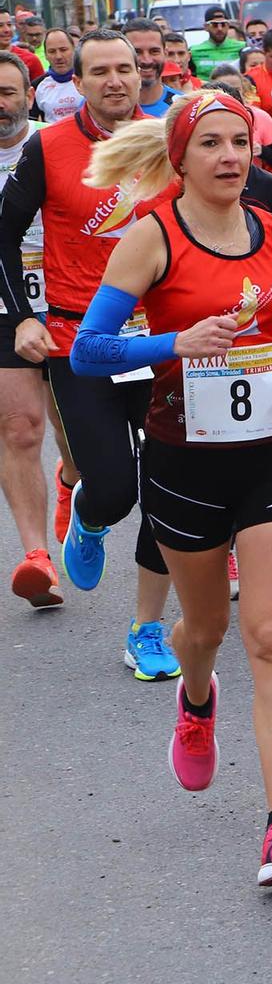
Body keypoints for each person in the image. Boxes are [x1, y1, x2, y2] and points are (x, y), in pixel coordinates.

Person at [72, 88, 272, 887]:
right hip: (186, 458)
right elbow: (88, 350)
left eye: (240, 143)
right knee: (205, 629)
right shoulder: (150, 238)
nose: (230, 157)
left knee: (271, 633)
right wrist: (174, 343)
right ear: (180, 159)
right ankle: (196, 701)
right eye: (211, 144)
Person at [0, 30, 179, 676]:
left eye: (125, 68)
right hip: (80, 342)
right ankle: (90, 514)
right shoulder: (49, 147)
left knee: (167, 483)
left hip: (162, 338)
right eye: (99, 71)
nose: (116, 80)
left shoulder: (171, 139)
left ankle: (148, 627)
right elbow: (4, 232)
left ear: (142, 72)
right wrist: (24, 317)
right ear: (76, 83)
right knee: (114, 487)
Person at [0, 55, 55, 607]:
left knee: (75, 439)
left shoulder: (53, 145)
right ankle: (36, 557)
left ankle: (71, 481)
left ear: (29, 95)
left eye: (7, 92)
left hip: (66, 304)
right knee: (19, 429)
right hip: (5, 310)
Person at [123, 19, 180, 118]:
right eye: (137, 52)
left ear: (165, 53)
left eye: (154, 51)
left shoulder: (182, 107)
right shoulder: (105, 109)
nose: (147, 60)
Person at [34, 26, 82, 124]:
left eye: (63, 50)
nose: (58, 56)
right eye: (52, 51)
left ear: (74, 50)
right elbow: (32, 121)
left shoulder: (87, 79)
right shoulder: (37, 85)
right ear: (46, 55)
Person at [188, 7, 247, 81]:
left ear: (228, 26)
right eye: (214, 25)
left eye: (223, 24)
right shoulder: (194, 51)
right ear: (206, 27)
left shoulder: (242, 47)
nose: (220, 29)